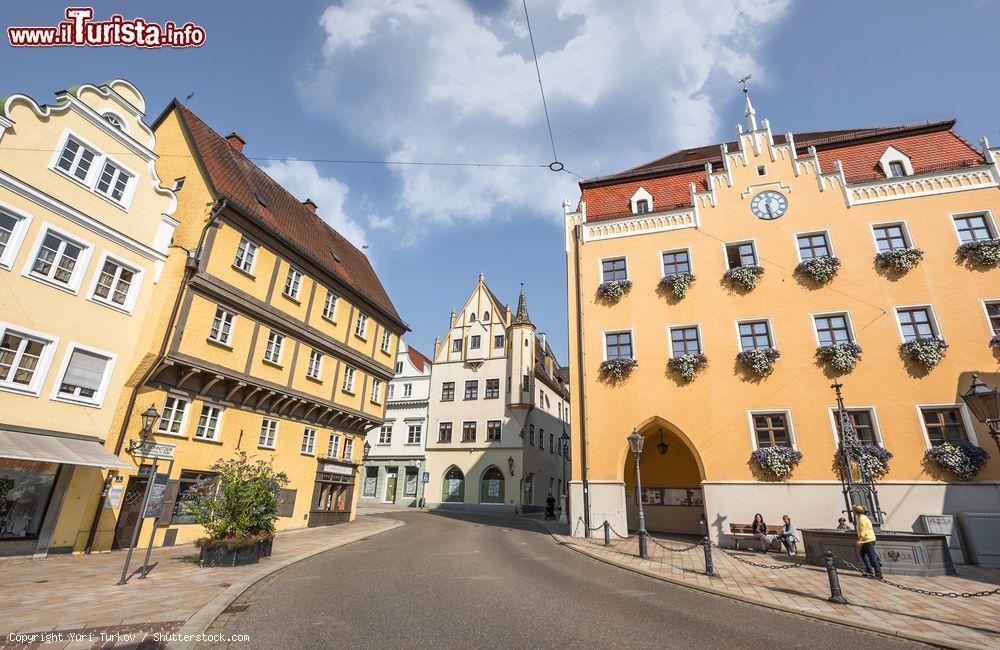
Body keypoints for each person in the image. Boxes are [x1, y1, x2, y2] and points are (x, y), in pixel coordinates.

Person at [853, 504, 883, 579]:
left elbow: (863, 530)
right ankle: (869, 571)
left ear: (855, 511)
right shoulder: (863, 517)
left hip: (868, 540)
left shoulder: (862, 519)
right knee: (863, 554)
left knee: (872, 557)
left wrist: (859, 540)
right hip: (868, 539)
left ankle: (879, 574)